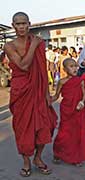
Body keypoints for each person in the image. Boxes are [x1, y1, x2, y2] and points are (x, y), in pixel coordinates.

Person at [4, 12, 57, 177]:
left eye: (24, 23)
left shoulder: (39, 43)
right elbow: (24, 66)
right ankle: (26, 161)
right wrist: (33, 45)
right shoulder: (9, 46)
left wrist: (48, 93)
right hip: (21, 92)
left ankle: (38, 158)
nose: (21, 27)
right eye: (18, 24)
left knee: (47, 125)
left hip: (38, 91)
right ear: (13, 26)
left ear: (29, 24)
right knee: (23, 129)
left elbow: (42, 70)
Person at [51, 58, 85, 166]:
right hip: (66, 110)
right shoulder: (62, 82)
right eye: (71, 66)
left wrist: (82, 102)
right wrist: (46, 100)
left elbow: (83, 94)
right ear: (64, 69)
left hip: (78, 110)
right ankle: (57, 152)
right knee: (64, 134)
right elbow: (56, 96)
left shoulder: (80, 80)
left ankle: (75, 158)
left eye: (75, 66)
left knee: (77, 134)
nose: (74, 69)